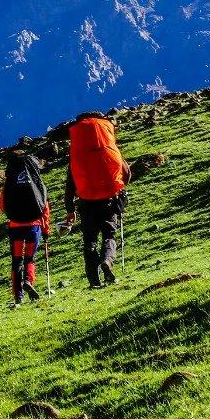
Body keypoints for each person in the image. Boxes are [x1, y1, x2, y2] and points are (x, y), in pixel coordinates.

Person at [63, 111, 130, 289]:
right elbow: (126, 171)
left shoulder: (78, 153)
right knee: (109, 234)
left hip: (86, 202)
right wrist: (120, 187)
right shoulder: (108, 145)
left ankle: (94, 280)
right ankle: (107, 261)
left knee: (89, 241)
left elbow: (70, 184)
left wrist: (70, 209)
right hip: (109, 198)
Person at [0, 149, 50, 306]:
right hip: (34, 227)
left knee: (16, 261)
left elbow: (2, 206)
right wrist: (46, 230)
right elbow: (44, 208)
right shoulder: (37, 183)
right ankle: (28, 281)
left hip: (15, 228)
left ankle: (18, 296)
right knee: (29, 258)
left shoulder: (10, 183)